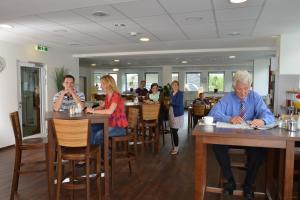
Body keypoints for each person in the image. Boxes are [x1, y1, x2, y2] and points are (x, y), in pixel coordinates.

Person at [208, 70, 275, 200]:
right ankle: (230, 181)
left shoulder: (255, 97)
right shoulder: (227, 98)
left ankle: (248, 185)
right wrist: (228, 118)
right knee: (217, 146)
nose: (243, 93)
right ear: (234, 87)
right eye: (239, 90)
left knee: (260, 151)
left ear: (250, 86)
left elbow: (268, 115)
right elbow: (212, 113)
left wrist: (262, 120)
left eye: (246, 89)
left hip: (250, 139)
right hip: (230, 137)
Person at [86, 75, 128, 148]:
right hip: (109, 123)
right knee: (91, 128)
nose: (100, 86)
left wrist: (92, 111)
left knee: (99, 135)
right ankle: (94, 153)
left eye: (102, 83)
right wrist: (93, 109)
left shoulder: (116, 95)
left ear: (108, 84)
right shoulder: (108, 95)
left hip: (119, 127)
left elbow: (109, 111)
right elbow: (103, 107)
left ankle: (105, 156)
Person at [168, 80, 184, 155]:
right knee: (172, 130)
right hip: (171, 112)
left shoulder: (180, 93)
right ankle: (175, 146)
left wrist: (170, 102)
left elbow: (178, 103)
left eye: (176, 85)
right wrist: (170, 102)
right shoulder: (171, 93)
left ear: (178, 86)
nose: (174, 86)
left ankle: (176, 148)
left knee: (174, 131)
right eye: (173, 85)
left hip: (177, 114)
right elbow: (171, 101)